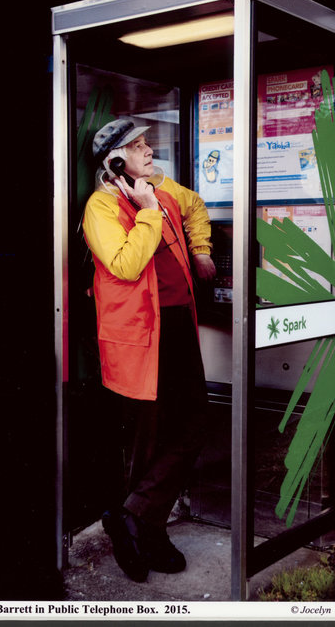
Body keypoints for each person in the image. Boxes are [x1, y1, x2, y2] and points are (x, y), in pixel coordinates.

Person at [83, 117, 216, 582]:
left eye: (146, 144)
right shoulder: (101, 207)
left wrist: (200, 248)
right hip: (140, 336)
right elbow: (124, 263)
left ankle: (132, 514)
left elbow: (195, 204)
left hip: (177, 325)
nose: (149, 152)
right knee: (150, 436)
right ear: (116, 161)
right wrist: (146, 212)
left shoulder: (161, 191)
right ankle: (147, 529)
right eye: (138, 147)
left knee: (194, 422)